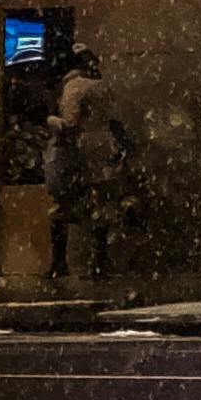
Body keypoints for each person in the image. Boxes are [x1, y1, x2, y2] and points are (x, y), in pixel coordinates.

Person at [42, 47, 130, 296]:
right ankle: (100, 262)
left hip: (79, 153)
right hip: (104, 149)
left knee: (63, 207)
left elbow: (69, 124)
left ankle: (59, 263)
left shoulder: (74, 87)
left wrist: (50, 119)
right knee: (101, 206)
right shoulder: (101, 86)